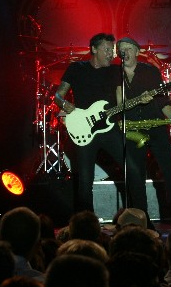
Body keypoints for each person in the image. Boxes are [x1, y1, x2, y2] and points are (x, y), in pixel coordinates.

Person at [54, 33, 152, 216]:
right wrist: (64, 104)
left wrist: (138, 100)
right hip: (85, 129)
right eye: (106, 50)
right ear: (93, 49)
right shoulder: (76, 68)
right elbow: (58, 95)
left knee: (133, 170)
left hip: (109, 128)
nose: (111, 54)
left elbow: (120, 101)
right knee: (85, 181)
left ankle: (142, 218)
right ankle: (87, 224)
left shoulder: (115, 71)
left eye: (112, 50)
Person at [115, 36, 171, 225]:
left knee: (169, 173)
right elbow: (114, 105)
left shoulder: (150, 71)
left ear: (137, 52)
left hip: (155, 128)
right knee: (136, 177)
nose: (125, 52)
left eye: (129, 48)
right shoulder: (114, 74)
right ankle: (142, 223)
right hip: (131, 131)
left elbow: (163, 100)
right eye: (122, 49)